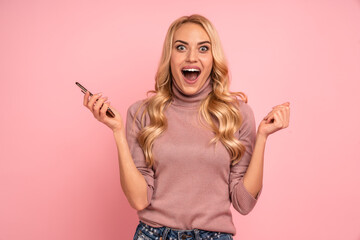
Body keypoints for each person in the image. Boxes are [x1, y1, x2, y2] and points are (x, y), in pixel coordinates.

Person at [82, 14, 290, 240]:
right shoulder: (142, 113)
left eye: (203, 49)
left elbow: (243, 203)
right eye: (181, 47)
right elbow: (139, 200)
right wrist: (117, 132)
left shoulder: (237, 114)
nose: (192, 57)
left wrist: (262, 137)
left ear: (213, 58)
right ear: (169, 56)